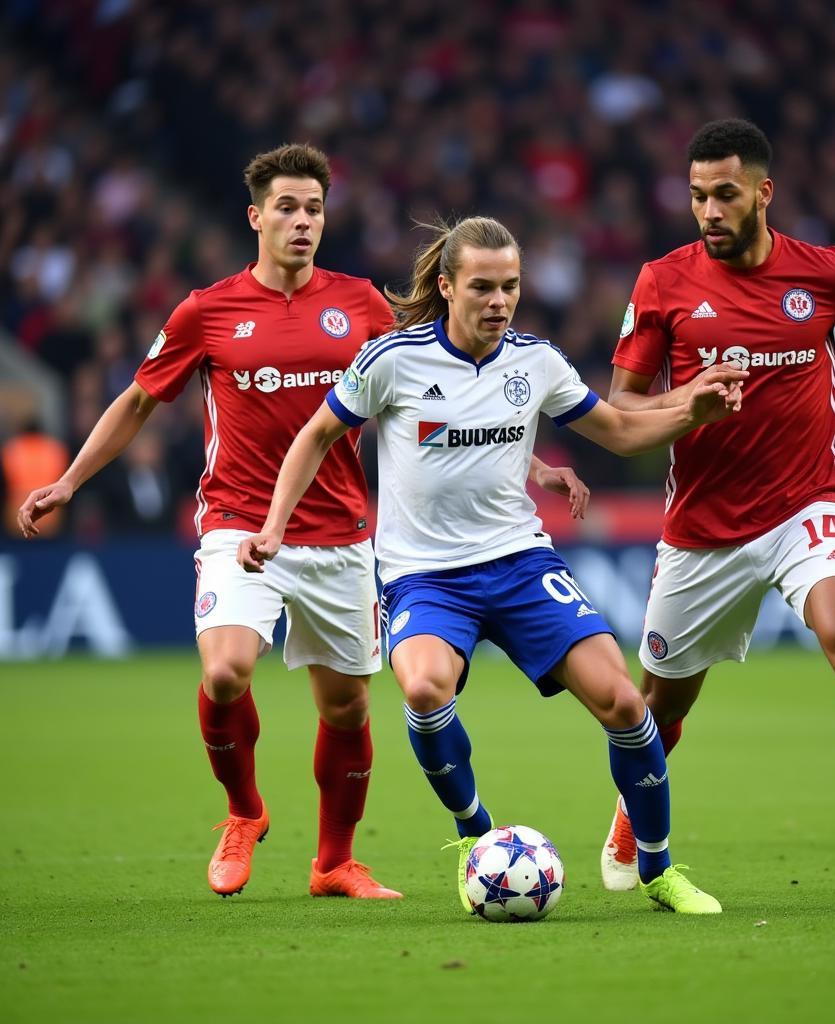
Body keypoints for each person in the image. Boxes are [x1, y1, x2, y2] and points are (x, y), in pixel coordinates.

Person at [15, 145, 586, 901]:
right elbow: (139, 401)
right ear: (256, 217)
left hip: (344, 533)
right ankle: (244, 812)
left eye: (313, 208)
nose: (302, 221)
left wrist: (533, 465)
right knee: (225, 671)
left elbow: (445, 387)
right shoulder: (206, 310)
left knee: (346, 705)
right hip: (240, 522)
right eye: (286, 207)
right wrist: (69, 481)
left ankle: (334, 863)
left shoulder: (361, 306)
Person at [236, 215, 748, 915]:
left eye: (510, 286)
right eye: (482, 286)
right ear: (447, 286)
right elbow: (317, 434)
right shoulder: (393, 359)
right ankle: (478, 836)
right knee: (421, 691)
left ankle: (657, 870)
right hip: (424, 576)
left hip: (519, 563)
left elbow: (622, 430)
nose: (499, 301)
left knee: (627, 703)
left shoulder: (535, 360)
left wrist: (695, 411)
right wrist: (272, 527)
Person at [601, 119, 835, 908]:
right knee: (659, 707)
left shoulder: (826, 274)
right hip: (701, 529)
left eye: (725, 195)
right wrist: (689, 403)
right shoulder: (662, 281)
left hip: (808, 507)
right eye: (698, 196)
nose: (709, 211)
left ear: (763, 193)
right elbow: (623, 411)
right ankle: (635, 818)